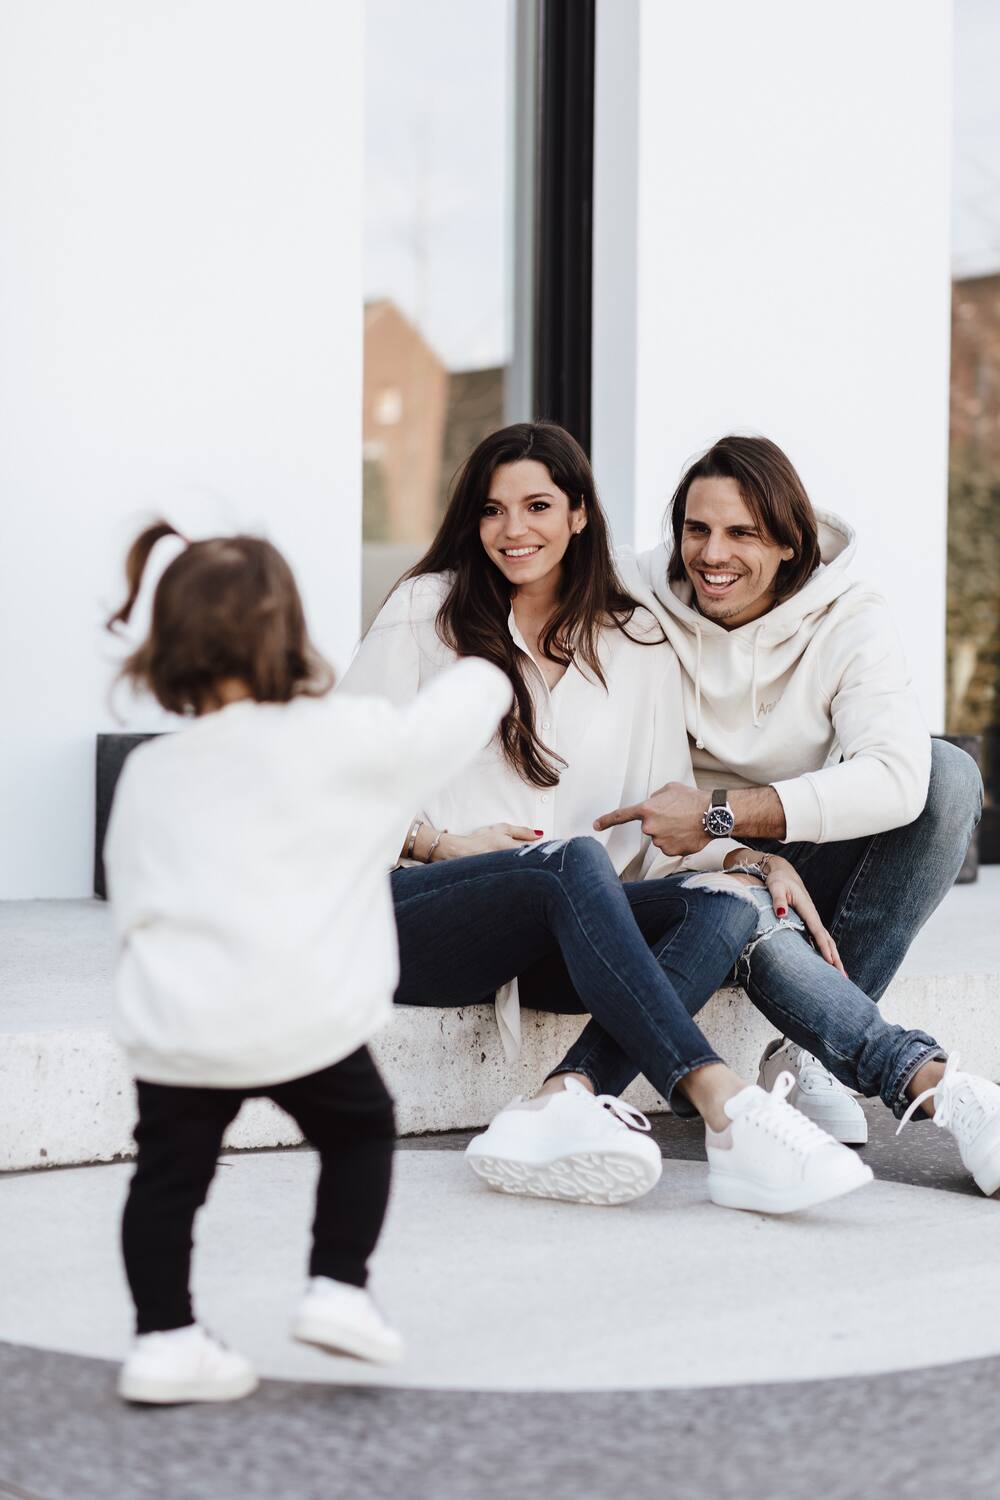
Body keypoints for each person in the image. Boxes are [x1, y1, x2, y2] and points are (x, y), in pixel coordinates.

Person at [340, 421, 873, 1217]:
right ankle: (726, 1107)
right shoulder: (429, 610)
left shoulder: (637, 642)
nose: (513, 530)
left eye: (538, 506)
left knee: (724, 905)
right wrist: (439, 842)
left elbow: (650, 850)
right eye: (492, 511)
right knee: (569, 859)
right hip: (409, 913)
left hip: (555, 942)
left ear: (580, 514)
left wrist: (747, 860)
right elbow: (338, 778)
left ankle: (566, 1094)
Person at [103, 522, 513, 1405]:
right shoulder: (345, 736)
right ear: (286, 634)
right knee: (358, 1132)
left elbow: (133, 900)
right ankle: (337, 1286)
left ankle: (163, 1340)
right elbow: (448, 722)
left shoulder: (153, 771)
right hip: (306, 1013)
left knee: (168, 1181)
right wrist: (489, 659)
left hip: (182, 1026)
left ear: (170, 646)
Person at [594, 434, 994, 1160]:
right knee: (736, 901)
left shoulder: (848, 616)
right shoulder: (635, 603)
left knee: (946, 777)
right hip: (681, 857)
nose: (713, 555)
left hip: (761, 830)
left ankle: (810, 1050)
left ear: (789, 543)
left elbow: (898, 777)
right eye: (697, 529)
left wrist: (724, 812)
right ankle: (928, 1079)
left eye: (742, 533)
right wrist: (737, 851)